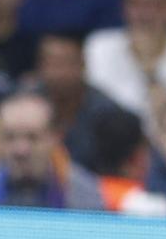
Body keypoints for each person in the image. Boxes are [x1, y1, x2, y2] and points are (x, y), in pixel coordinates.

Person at [0, 92, 104, 209]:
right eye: (10, 137)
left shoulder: (84, 195)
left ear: (54, 138)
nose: (21, 150)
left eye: (32, 138)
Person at [31, 32, 125, 171]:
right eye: (53, 64)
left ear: (83, 65)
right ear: (40, 67)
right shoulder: (26, 104)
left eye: (67, 63)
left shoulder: (108, 113)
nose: (60, 72)